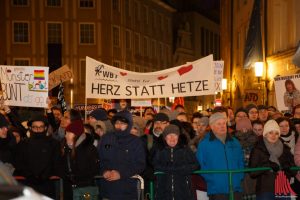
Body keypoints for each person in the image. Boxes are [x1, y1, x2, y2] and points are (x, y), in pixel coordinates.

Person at [98, 110, 146, 200]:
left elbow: (140, 164)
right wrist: (104, 171)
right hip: (107, 189)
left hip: (127, 190)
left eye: (123, 123)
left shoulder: (136, 142)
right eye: (117, 123)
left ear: (129, 124)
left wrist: (121, 174)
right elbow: (99, 159)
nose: (119, 125)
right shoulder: (106, 138)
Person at [196, 113, 244, 200]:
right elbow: (200, 165)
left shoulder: (235, 142)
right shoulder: (204, 144)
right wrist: (212, 179)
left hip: (235, 188)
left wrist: (239, 176)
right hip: (216, 189)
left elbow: (240, 161)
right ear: (212, 126)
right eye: (219, 124)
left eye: (224, 123)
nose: (222, 126)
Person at [14, 114, 62, 198]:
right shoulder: (23, 144)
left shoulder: (54, 144)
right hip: (27, 184)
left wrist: (45, 176)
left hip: (47, 184)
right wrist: (30, 175)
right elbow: (19, 163)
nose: (38, 130)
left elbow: (56, 162)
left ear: (45, 127)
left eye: (41, 127)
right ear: (30, 128)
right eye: (35, 127)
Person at [249, 120, 296, 200]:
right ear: (265, 134)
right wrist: (268, 165)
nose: (273, 135)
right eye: (270, 132)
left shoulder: (285, 148)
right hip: (266, 189)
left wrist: (288, 166)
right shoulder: (258, 148)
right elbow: (252, 172)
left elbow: (294, 170)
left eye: (276, 133)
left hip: (283, 186)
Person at [153, 124, 199, 200]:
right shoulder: (160, 150)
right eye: (169, 135)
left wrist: (182, 169)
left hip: (183, 191)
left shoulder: (185, 149)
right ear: (165, 137)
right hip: (163, 191)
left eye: (175, 135)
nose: (172, 138)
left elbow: (196, 165)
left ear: (178, 136)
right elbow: (155, 165)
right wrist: (171, 168)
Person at [61, 118, 100, 199]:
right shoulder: (66, 147)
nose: (66, 136)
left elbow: (94, 169)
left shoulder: (89, 149)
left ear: (76, 134)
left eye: (68, 133)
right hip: (68, 188)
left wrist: (75, 177)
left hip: (84, 188)